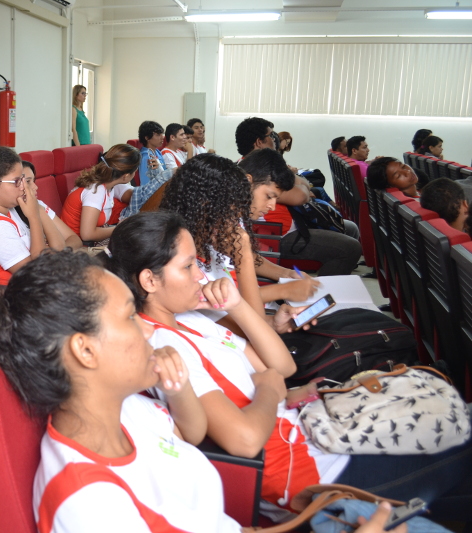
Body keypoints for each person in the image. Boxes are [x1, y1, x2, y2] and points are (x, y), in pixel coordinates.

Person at [105, 210, 472, 520]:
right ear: (149, 280)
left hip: (316, 434)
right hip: (308, 475)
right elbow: (245, 440)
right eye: (188, 267)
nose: (201, 275)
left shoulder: (191, 318)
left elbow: (282, 367)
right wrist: (269, 390)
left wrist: (236, 305)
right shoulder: (165, 346)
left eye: (197, 263)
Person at [0, 250, 247, 532]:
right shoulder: (88, 502)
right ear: (85, 350)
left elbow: (187, 434)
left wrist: (177, 388)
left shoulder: (123, 407)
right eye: (130, 317)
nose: (149, 329)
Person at [159, 152, 320, 329]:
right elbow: (252, 328)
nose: (235, 222)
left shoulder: (208, 239)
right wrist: (279, 289)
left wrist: (275, 320)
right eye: (231, 213)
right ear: (204, 206)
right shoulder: (186, 267)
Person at [239, 151, 362, 277]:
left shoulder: (236, 218)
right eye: (269, 196)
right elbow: (301, 195)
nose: (273, 206)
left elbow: (248, 258)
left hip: (292, 225)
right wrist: (287, 283)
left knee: (350, 230)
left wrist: (289, 274)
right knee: (349, 248)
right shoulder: (230, 222)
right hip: (275, 236)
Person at [0, 146, 63, 284]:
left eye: (23, 179)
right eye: (16, 182)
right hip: (5, 293)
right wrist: (34, 216)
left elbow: (53, 251)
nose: (23, 187)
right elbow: (36, 273)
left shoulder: (7, 207)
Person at [60, 144, 139, 243]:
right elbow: (87, 235)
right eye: (135, 171)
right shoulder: (95, 191)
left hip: (86, 240)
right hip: (78, 244)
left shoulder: (107, 184)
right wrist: (120, 228)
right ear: (126, 176)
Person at [17, 160, 83, 249]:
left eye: (34, 181)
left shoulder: (38, 204)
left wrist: (58, 251)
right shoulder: (8, 215)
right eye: (28, 181)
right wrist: (54, 251)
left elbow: (74, 239)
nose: (36, 187)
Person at [137, 120, 167, 186]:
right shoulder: (146, 156)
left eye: (162, 134)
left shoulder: (157, 152)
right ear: (147, 138)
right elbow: (145, 184)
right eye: (158, 135)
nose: (162, 137)